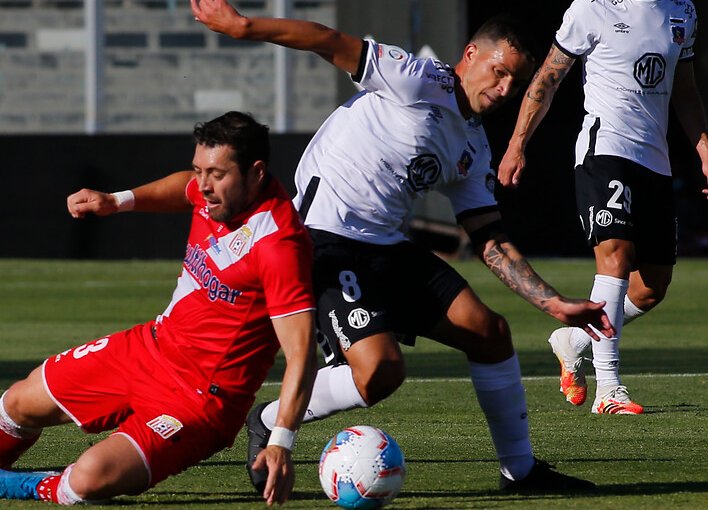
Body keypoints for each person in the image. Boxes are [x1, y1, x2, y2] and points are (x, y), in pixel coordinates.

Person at [192, 0, 614, 494]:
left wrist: (551, 301)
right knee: (381, 373)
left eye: (514, 84)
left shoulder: (473, 145)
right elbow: (328, 40)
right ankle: (269, 418)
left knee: (490, 332)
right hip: (324, 239)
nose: (502, 91)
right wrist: (243, 26)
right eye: (498, 73)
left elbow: (489, 237)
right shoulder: (418, 78)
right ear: (470, 54)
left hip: (387, 247)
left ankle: (520, 472)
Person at [0, 111, 318, 506]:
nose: (204, 185)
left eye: (217, 174)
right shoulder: (212, 195)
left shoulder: (278, 244)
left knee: (89, 479)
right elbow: (184, 189)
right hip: (150, 348)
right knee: (16, 404)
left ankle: (15, 485)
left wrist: (282, 442)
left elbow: (301, 355)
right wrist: (116, 200)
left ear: (257, 172)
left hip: (198, 401)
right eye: (199, 170)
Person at [498, 0, 707, 414]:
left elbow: (684, 89)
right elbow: (548, 79)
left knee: (650, 288)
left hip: (655, 161)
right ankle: (608, 389)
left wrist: (704, 148)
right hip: (605, 149)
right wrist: (516, 143)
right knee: (616, 255)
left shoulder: (682, 11)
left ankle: (574, 340)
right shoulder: (591, 9)